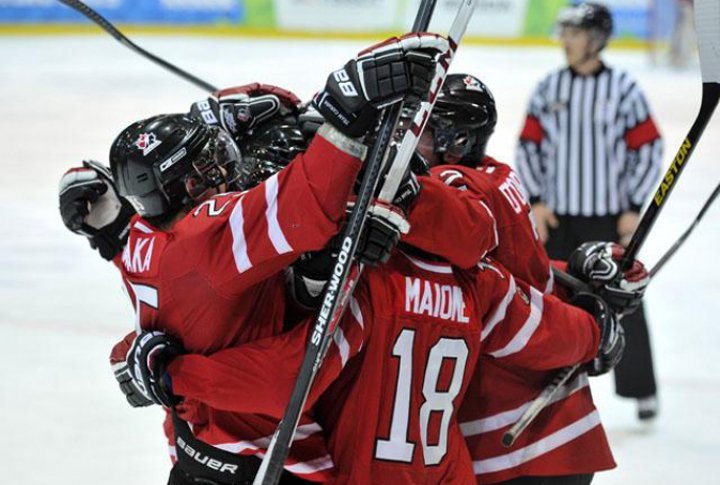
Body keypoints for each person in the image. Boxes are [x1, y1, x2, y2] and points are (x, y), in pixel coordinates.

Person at [126, 238, 622, 484]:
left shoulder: (368, 286)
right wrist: (599, 327)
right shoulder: (478, 282)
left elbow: (290, 375)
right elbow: (549, 332)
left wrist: (175, 373)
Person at [516, 2, 662, 421]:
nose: (565, 40)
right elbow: (529, 146)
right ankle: (543, 384)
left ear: (595, 40)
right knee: (552, 300)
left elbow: (648, 147)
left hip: (607, 218)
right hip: (558, 218)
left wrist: (634, 204)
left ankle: (640, 389)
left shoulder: (624, 89)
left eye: (574, 33)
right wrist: (537, 201)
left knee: (624, 301)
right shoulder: (549, 88)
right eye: (564, 32)